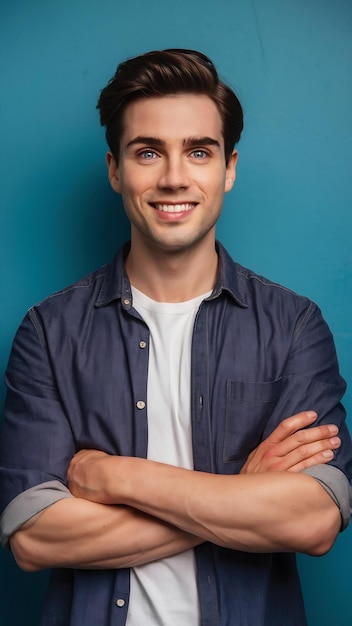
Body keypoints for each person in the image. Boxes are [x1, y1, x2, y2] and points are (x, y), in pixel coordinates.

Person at [0, 49, 351, 626]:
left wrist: (114, 475)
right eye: (147, 152)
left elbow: (312, 522)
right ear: (115, 170)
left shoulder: (293, 326)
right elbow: (36, 539)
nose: (173, 177)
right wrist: (241, 494)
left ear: (228, 168)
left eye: (198, 151)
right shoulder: (48, 332)